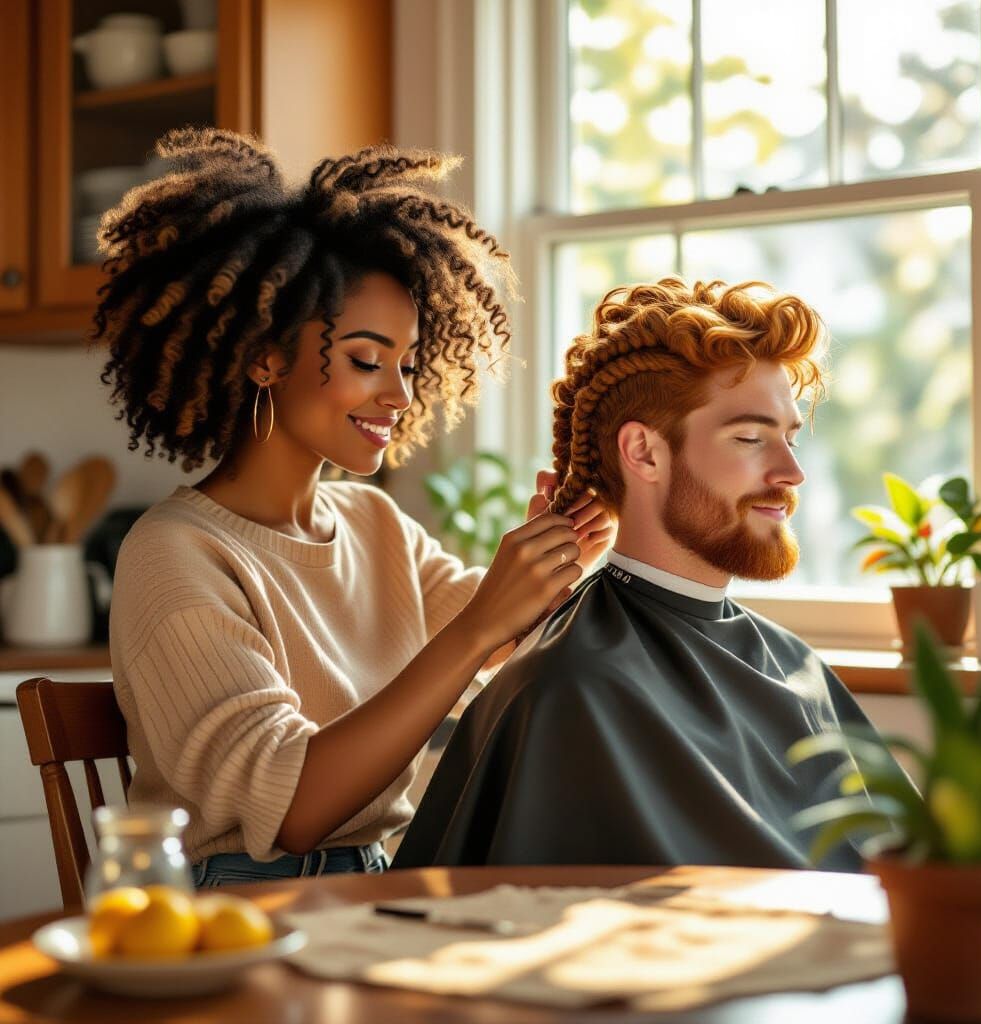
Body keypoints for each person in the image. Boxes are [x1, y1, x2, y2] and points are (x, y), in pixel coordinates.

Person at [96, 128, 614, 887]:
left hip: (371, 886)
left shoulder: (374, 526)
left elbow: (499, 641)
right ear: (263, 356)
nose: (400, 394)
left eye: (407, 364)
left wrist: (564, 544)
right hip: (238, 911)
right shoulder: (175, 554)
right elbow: (296, 807)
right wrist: (481, 624)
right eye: (367, 360)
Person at [394, 277, 891, 873]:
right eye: (751, 438)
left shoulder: (794, 665)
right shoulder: (571, 683)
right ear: (645, 453)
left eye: (788, 438)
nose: (792, 472)